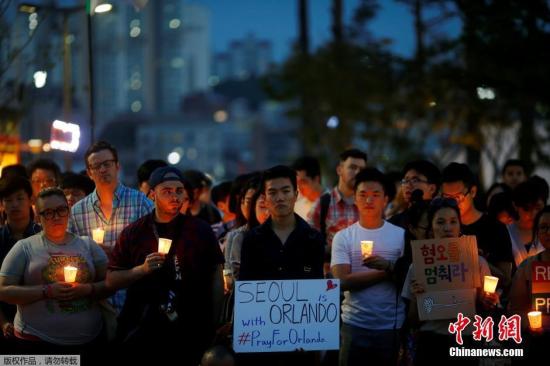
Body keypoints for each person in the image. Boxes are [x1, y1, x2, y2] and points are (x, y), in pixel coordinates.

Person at [106, 166, 224, 366]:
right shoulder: (135, 233)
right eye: (167, 191)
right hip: (143, 327)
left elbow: (216, 276)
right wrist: (141, 270)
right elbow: (111, 280)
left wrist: (215, 322)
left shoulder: (200, 230)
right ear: (152, 194)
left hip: (192, 328)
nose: (175, 196)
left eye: (179, 191)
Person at [0, 188, 109, 360]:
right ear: (38, 216)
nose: (56, 217)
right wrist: (47, 291)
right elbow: (3, 291)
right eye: (48, 213)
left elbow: (109, 285)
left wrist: (87, 289)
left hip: (89, 340)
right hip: (37, 341)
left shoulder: (87, 245)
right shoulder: (24, 247)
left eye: (61, 210)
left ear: (68, 211)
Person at [239, 165, 324, 366]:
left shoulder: (313, 239)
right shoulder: (252, 240)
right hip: (261, 341)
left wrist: (311, 334)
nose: (280, 198)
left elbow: (316, 288)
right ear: (265, 198)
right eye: (272, 192)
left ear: (296, 194)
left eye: (285, 191)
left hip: (301, 343)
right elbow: (246, 286)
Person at [401, 197, 499, 364]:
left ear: (460, 227)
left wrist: (488, 301)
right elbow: (412, 320)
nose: (447, 228)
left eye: (453, 222)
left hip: (466, 342)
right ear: (431, 228)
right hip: (431, 344)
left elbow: (486, 310)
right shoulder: (417, 266)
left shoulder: (477, 262)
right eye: (440, 222)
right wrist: (418, 297)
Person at [331, 167, 406, 366]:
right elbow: (341, 281)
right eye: (363, 195)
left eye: (375, 195)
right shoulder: (344, 237)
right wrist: (388, 270)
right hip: (354, 324)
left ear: (386, 199)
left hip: (391, 326)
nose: (369, 200)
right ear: (354, 198)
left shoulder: (400, 236)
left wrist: (394, 270)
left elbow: (408, 278)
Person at [69, 141, 154, 312]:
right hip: (93, 304)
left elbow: (155, 248)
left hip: (135, 300)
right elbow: (69, 255)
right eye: (96, 166)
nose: (102, 170)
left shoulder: (140, 203)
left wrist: (119, 253)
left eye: (107, 164)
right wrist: (91, 253)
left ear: (117, 166)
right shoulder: (77, 211)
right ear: (89, 173)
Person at [441, 162, 514, 289]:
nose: (453, 203)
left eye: (458, 197)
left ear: (473, 191)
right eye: (447, 198)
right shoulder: (440, 228)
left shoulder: (495, 228)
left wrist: (474, 257)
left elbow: (506, 280)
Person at [308, 148, 367, 275]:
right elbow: (308, 245)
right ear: (339, 170)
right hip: (330, 280)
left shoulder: (369, 204)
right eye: (352, 167)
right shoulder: (323, 203)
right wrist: (336, 249)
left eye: (362, 170)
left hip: (362, 279)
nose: (357, 172)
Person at [0, 176, 41, 350]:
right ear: (2, 204)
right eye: (8, 200)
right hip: (5, 321)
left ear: (31, 200)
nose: (14, 204)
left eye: (19, 198)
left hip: (40, 323)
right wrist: (2, 322)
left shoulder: (43, 236)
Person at [507, 206, 550, 363]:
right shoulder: (527, 267)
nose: (549, 232)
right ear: (537, 232)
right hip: (540, 345)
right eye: (544, 227)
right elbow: (514, 310)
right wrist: (528, 324)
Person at [507, 179, 547, 271]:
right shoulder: (506, 233)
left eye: (538, 208)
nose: (533, 214)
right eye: (527, 209)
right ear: (515, 206)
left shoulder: (547, 234)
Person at [389, 160, 441, 229]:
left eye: (415, 180)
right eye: (405, 181)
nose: (408, 185)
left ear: (432, 189)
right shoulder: (394, 223)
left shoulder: (442, 219)